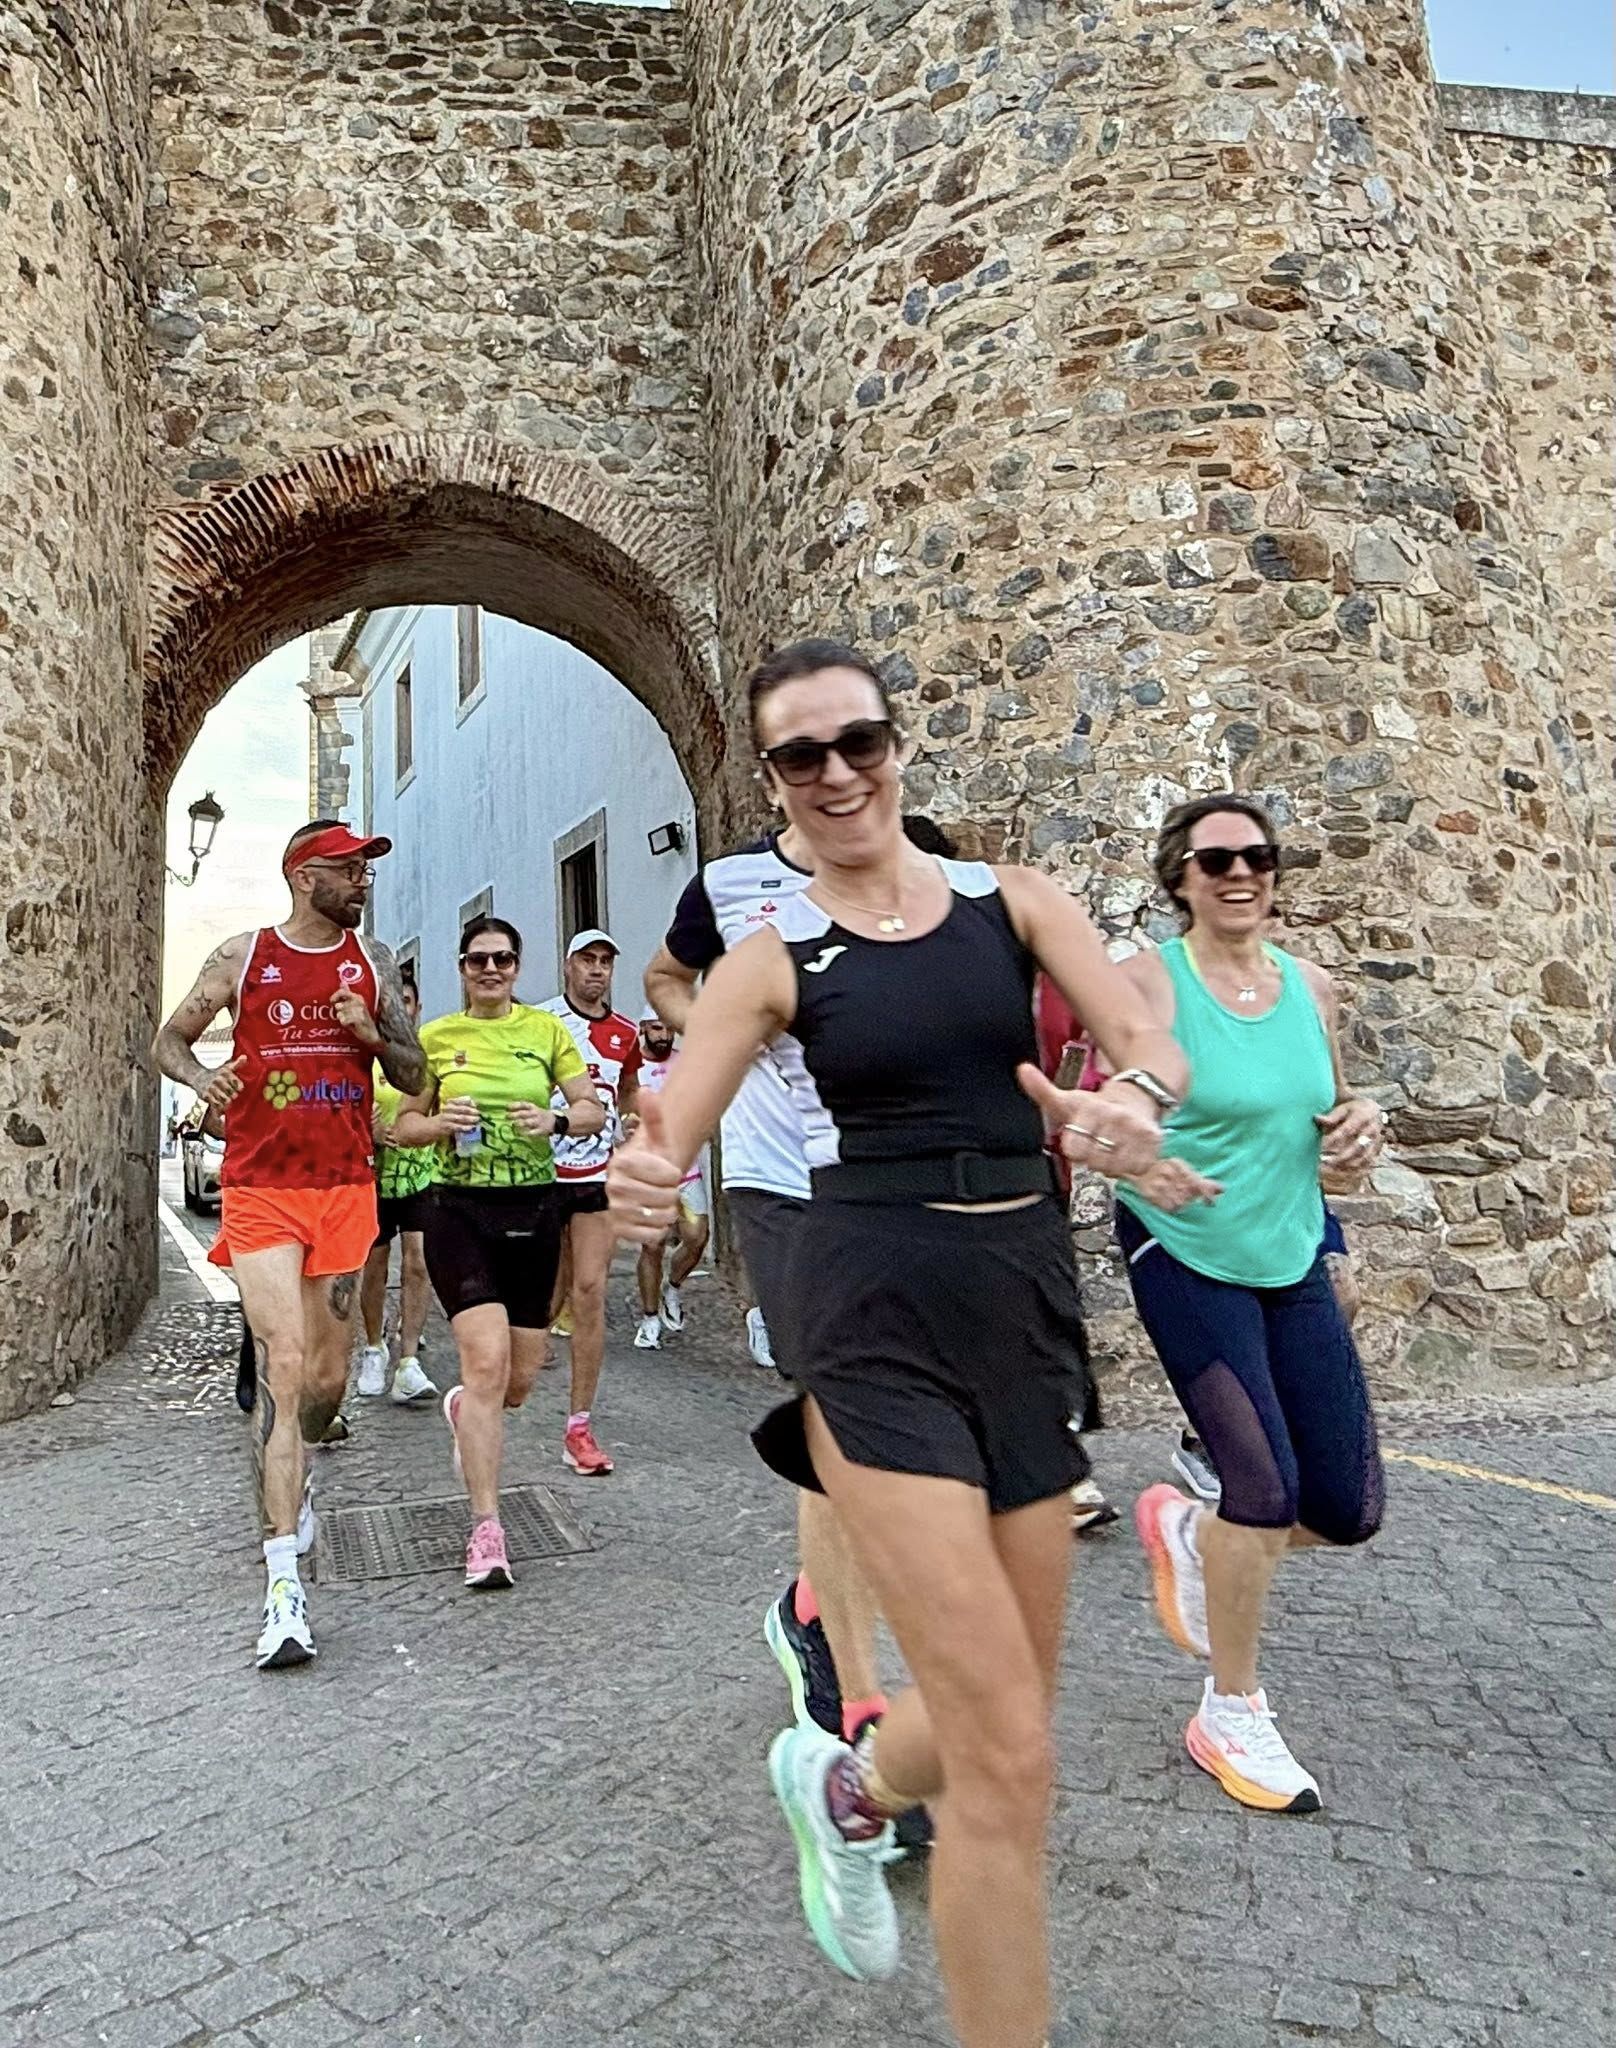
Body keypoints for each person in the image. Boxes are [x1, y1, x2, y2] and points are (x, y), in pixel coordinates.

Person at [615, 639, 1195, 2048]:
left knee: (1007, 1717)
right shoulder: (769, 957)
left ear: (894, 747)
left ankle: (852, 1787)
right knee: (1013, 1766)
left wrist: (1127, 1102)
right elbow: (673, 1123)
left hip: (1018, 1306)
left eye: (855, 743)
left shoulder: (1013, 905)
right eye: (801, 757)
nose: (835, 775)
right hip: (870, 1313)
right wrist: (641, 1180)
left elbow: (1141, 1036)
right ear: (774, 782)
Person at [1118, 794, 1387, 1815]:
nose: (1240, 874)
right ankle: (1229, 1707)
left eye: (1257, 856)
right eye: (1215, 858)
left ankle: (1190, 1533)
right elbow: (1116, 1109)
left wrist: (1356, 1122)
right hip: (1180, 1244)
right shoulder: (1149, 980)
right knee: (1263, 1488)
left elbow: (1325, 1108)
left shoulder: (1309, 985)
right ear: (1177, 875)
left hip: (1288, 1247)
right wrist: (1139, 1145)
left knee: (1345, 1509)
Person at [152, 820, 425, 1669]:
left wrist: (370, 1033)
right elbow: (168, 1039)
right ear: (306, 876)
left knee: (326, 1381)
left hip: (344, 1188)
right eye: (350, 869)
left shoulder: (372, 963)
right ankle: (283, 1587)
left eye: (363, 871)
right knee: (284, 1359)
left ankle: (304, 1453)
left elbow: (415, 1075)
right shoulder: (244, 956)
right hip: (262, 1187)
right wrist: (204, 1078)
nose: (363, 882)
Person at [389, 916, 604, 1588]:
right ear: (461, 969)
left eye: (503, 960)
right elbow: (400, 1127)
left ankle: (465, 1409)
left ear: (517, 968)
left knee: (515, 1383)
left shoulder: (545, 1033)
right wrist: (438, 1124)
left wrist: (556, 1121)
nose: (490, 970)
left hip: (534, 1213)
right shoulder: (437, 1039)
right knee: (485, 1365)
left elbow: (594, 1109)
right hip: (461, 1213)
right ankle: (487, 1529)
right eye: (478, 960)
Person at [536, 930, 641, 1475]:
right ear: (569, 966)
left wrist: (632, 1124)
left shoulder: (625, 1032)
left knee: (591, 1290)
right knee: (545, 1293)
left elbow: (628, 1088)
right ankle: (494, 1388)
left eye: (605, 961)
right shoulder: (544, 1022)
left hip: (596, 1176)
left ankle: (579, 1426)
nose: (597, 970)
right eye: (587, 960)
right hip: (540, 1174)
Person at [356, 969, 437, 1406]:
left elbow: (439, 1109)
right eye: (394, 1002)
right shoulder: (365, 1057)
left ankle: (408, 1360)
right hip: (374, 1176)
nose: (401, 1009)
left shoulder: (429, 1057)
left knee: (419, 1264)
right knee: (375, 1267)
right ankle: (373, 1346)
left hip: (420, 1174)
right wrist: (369, 1132)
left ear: (416, 1008)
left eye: (407, 1001)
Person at [630, 1012, 710, 1350]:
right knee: (653, 1245)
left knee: (696, 1238)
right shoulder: (631, 1070)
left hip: (686, 1168)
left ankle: (672, 1288)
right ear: (643, 1029)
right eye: (657, 1029)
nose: (664, 1036)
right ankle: (649, 1320)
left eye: (670, 1029)